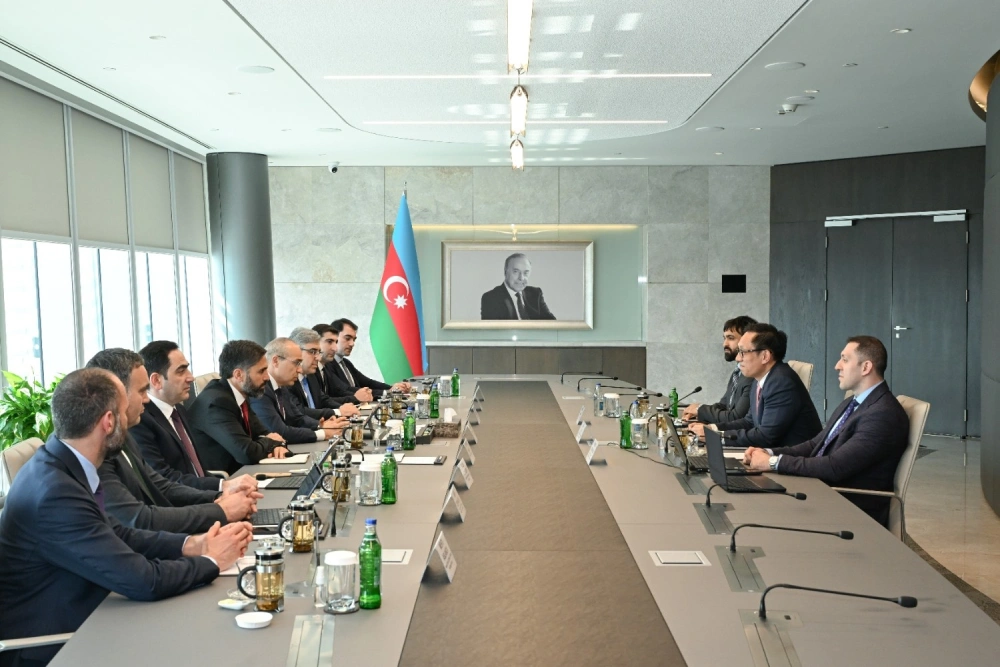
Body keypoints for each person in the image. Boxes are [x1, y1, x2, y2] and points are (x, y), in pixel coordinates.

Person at [0, 368, 252, 667]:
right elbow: (143, 580)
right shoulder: (56, 493)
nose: (136, 413)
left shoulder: (61, 465)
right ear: (109, 422)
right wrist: (212, 561)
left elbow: (118, 533)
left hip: (96, 612)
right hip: (59, 644)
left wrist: (192, 545)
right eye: (123, 411)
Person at [88, 349, 260, 533]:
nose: (146, 399)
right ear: (116, 396)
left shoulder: (125, 436)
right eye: (142, 391)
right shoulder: (97, 453)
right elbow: (139, 519)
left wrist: (219, 496)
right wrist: (219, 511)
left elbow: (161, 485)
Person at [743, 336, 909, 527]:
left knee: (759, 509)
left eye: (845, 360)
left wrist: (773, 463)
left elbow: (835, 467)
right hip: (824, 491)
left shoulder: (883, 414)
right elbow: (815, 444)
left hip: (849, 508)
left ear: (866, 367)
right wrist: (768, 453)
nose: (837, 366)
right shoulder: (853, 402)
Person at [132, 340, 260, 492]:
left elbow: (197, 471)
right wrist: (222, 487)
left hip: (203, 495)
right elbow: (164, 479)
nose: (191, 377)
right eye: (181, 371)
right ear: (156, 380)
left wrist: (229, 487)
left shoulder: (179, 411)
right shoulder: (140, 421)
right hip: (183, 503)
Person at [689, 323, 822, 449]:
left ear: (765, 356)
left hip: (794, 459)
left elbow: (765, 437)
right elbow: (749, 422)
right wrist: (712, 429)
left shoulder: (781, 382)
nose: (738, 358)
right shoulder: (760, 379)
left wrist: (717, 437)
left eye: (743, 352)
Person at [188, 340, 291, 474]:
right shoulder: (217, 403)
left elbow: (265, 434)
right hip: (226, 479)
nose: (267, 377)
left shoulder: (240, 394)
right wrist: (271, 443)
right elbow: (247, 453)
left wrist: (276, 445)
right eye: (261, 371)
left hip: (246, 472)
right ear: (238, 375)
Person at [249, 337, 347, 444]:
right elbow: (280, 431)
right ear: (276, 361)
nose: (300, 370)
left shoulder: (282, 386)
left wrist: (321, 425)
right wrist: (323, 433)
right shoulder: (261, 390)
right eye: (296, 363)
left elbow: (297, 418)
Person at [682, 315, 757, 425]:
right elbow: (724, 405)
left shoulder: (752, 376)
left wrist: (700, 410)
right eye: (724, 338)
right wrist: (699, 412)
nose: (724, 344)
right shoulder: (737, 372)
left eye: (731, 338)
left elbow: (735, 417)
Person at [327, 318, 409, 399]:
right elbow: (346, 390)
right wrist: (387, 392)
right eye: (347, 338)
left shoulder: (346, 363)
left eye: (354, 340)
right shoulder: (327, 365)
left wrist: (393, 388)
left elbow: (367, 382)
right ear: (334, 337)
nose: (352, 344)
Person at [287, 327, 359, 418]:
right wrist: (337, 412)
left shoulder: (310, 375)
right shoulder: (287, 380)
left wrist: (342, 409)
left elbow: (322, 399)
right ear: (297, 352)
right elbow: (300, 411)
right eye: (312, 352)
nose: (318, 358)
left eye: (318, 352)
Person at [480, 252, 555, 320]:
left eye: (526, 273)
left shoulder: (536, 294)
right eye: (516, 272)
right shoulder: (491, 298)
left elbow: (552, 324)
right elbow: (493, 330)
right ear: (505, 272)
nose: (521, 278)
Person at [313, 323, 370, 404]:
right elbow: (321, 401)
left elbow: (341, 391)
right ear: (315, 343)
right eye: (329, 342)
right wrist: (355, 398)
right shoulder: (310, 371)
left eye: (336, 342)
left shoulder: (325, 368)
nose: (335, 348)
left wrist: (364, 395)